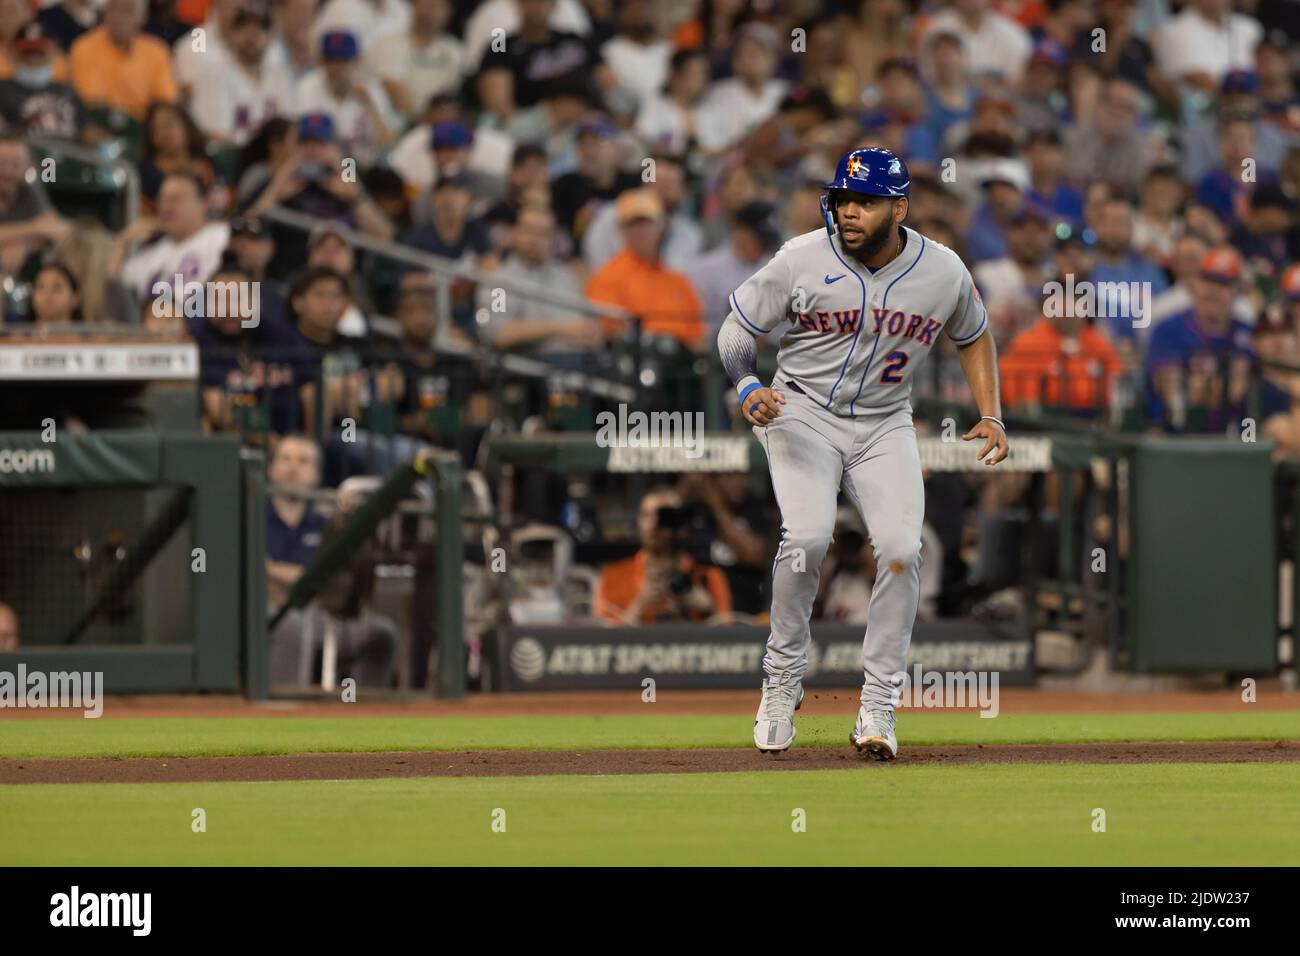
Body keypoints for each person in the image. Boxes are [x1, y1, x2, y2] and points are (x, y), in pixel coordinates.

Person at [717, 147, 1009, 758]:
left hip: (884, 423)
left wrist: (990, 413)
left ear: (899, 208)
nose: (849, 212)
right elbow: (736, 330)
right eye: (843, 200)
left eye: (866, 202)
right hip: (800, 411)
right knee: (808, 538)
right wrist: (747, 384)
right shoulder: (801, 256)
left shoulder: (943, 270)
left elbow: (975, 334)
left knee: (904, 550)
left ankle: (877, 706)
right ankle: (781, 679)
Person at [266, 433, 398, 687]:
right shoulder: (253, 515)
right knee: (292, 624)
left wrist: (272, 571)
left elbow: (327, 583)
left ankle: (363, 719)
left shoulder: (328, 524)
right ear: (271, 469)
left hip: (320, 615)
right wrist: (299, 579)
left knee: (382, 634)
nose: (293, 468)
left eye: (303, 461)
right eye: (285, 459)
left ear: (316, 475)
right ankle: (283, 715)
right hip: (266, 615)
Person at [585, 187, 705, 349]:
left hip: (680, 363)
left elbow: (698, 337)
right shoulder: (606, 277)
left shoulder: (678, 282)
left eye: (647, 222)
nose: (641, 230)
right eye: (633, 223)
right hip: (636, 359)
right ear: (621, 229)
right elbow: (610, 332)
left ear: (662, 226)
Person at [594, 486, 733, 626]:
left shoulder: (707, 576)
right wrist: (639, 606)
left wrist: (708, 609)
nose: (654, 524)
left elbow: (730, 640)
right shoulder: (613, 577)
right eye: (646, 515)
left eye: (663, 516)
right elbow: (599, 641)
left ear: (679, 523)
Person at [111, 170, 230, 306]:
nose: (166, 207)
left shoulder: (223, 237)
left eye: (176, 199)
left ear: (203, 204)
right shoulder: (149, 256)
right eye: (162, 199)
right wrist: (122, 243)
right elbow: (113, 291)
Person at [68, 0, 178, 122]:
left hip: (146, 130)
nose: (118, 16)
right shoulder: (84, 48)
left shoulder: (157, 52)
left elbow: (165, 102)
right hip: (99, 126)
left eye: (127, 11)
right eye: (113, 9)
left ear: (142, 17)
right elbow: (91, 102)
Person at [364, 0, 462, 123]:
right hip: (401, 122)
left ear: (448, 13)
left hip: (444, 121)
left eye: (434, 6)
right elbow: (396, 96)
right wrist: (426, 121)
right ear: (413, 8)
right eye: (422, 5)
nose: (428, 12)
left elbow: (454, 93)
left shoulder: (454, 49)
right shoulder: (390, 45)